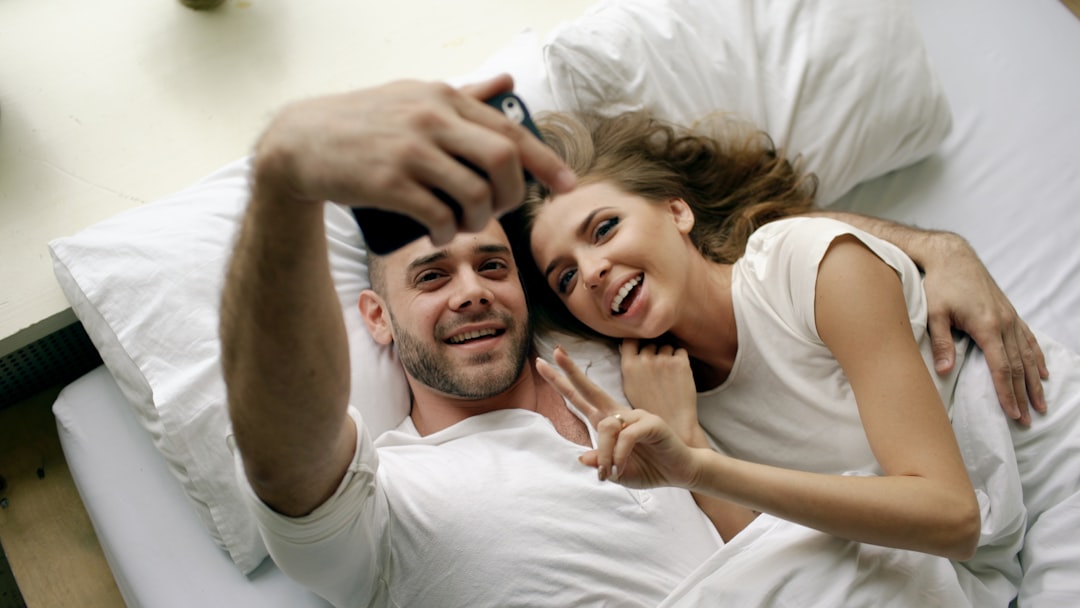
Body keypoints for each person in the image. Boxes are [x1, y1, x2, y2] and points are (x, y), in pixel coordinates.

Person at [219, 76, 1052, 607]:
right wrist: (283, 182)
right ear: (375, 318)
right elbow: (283, 440)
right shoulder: (387, 490)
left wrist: (933, 247)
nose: (472, 289)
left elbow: (746, 258)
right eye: (431, 278)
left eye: (493, 265)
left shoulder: (630, 360)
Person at [510, 110, 1080, 607]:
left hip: (1044, 468)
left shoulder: (810, 268)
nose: (591, 271)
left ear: (677, 212)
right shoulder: (667, 391)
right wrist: (688, 437)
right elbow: (786, 559)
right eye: (565, 277)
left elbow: (951, 515)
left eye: (604, 228)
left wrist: (698, 465)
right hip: (961, 570)